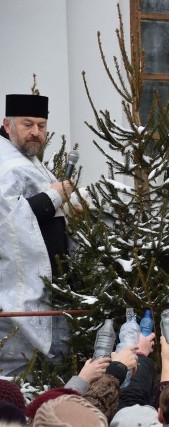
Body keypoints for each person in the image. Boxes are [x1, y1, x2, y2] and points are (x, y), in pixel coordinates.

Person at [0, 93, 76, 375]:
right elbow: (8, 222)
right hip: (18, 292)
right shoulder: (4, 164)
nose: (35, 132)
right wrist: (54, 197)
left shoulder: (27, 159)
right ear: (7, 125)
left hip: (51, 287)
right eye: (27, 124)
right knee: (20, 371)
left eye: (41, 126)